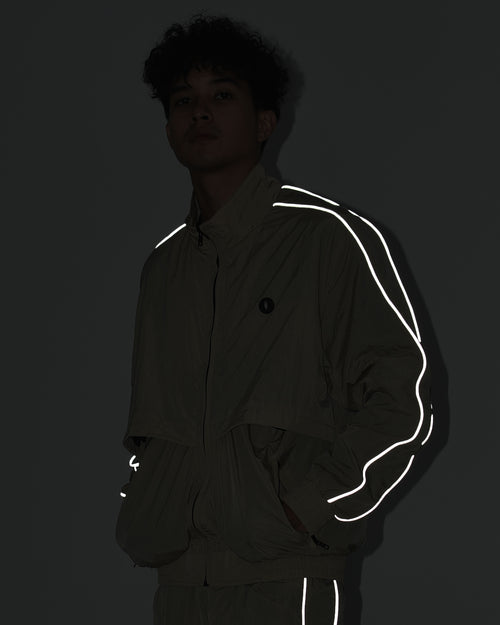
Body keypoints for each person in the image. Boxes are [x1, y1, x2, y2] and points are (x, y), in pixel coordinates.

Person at [115, 13, 432, 625]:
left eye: (221, 96)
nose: (199, 112)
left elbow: (404, 404)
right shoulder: (164, 266)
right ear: (169, 126)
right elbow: (149, 433)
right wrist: (144, 502)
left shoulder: (326, 239)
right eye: (183, 100)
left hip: (284, 580)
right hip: (178, 584)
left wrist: (309, 507)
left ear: (264, 122)